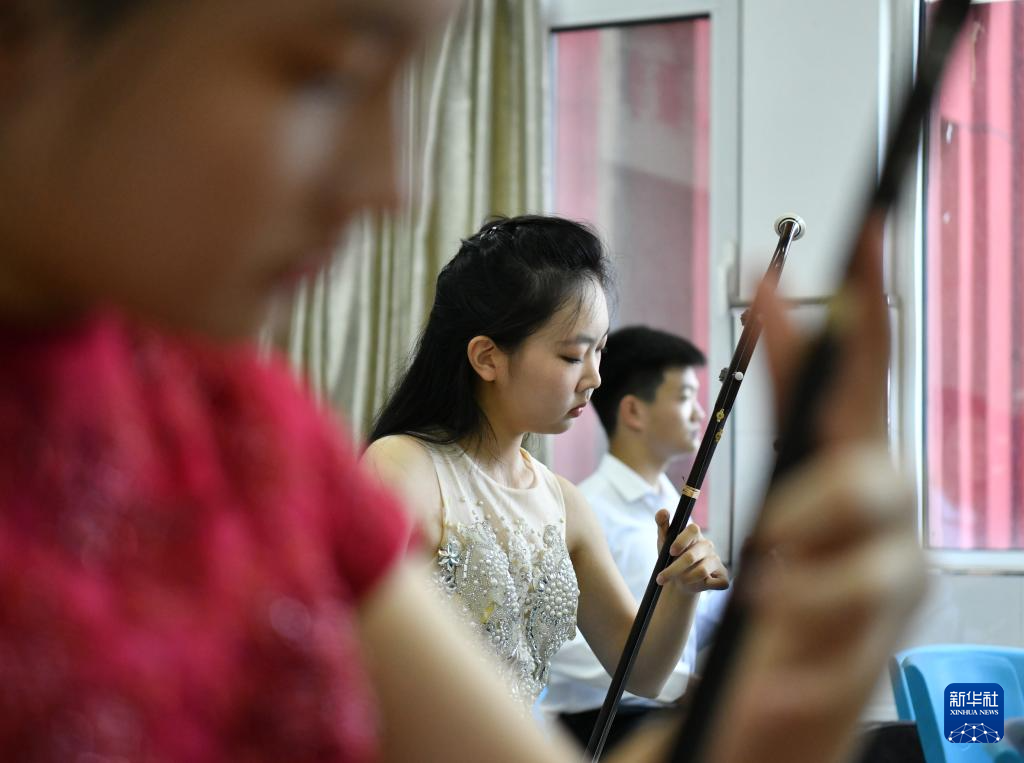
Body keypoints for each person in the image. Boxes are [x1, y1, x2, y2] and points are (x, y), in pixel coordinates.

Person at [0, 0, 926, 760]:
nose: (388, 184)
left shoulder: (253, 427)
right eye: (326, 76)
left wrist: (769, 697)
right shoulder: (394, 467)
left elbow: (609, 685)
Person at [362, 215, 731, 708]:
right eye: (573, 356)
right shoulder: (404, 468)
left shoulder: (564, 504)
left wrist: (680, 587)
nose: (595, 378)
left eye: (600, 352)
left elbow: (641, 671)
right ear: (487, 357)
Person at [543, 325, 728, 748]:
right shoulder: (587, 510)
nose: (700, 413)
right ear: (634, 412)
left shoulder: (672, 503)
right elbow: (560, 644)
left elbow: (687, 620)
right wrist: (679, 682)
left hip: (661, 712)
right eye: (685, 397)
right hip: (603, 724)